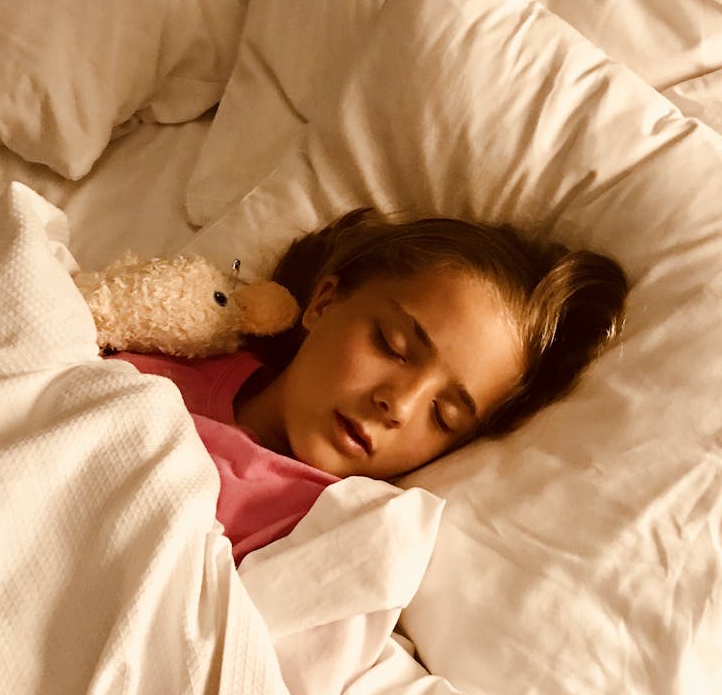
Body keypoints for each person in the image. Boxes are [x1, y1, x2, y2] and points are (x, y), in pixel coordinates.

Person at [118, 208, 628, 561]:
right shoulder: (166, 348)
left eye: (444, 415)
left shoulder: (325, 533)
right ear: (323, 302)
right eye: (393, 346)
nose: (399, 405)